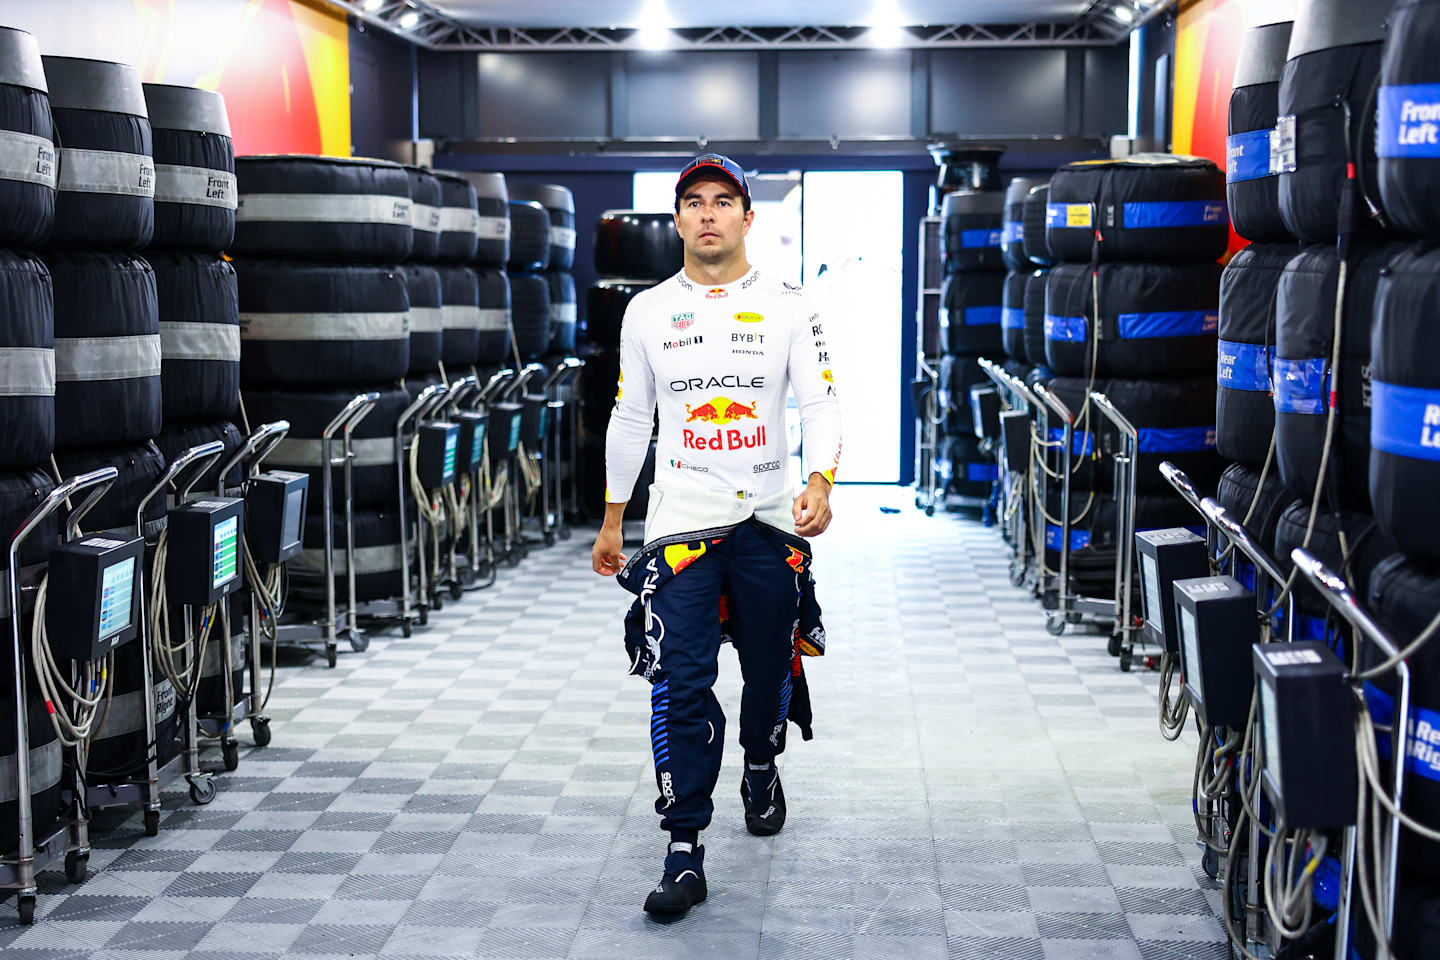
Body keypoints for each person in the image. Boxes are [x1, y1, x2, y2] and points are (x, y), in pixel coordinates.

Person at [592, 153, 842, 918]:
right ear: (677, 220)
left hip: (767, 522)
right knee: (681, 682)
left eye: (722, 201)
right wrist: (613, 517)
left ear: (746, 216)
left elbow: (821, 404)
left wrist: (821, 481)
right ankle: (683, 847)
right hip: (679, 530)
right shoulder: (646, 311)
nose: (708, 214)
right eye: (694, 202)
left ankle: (761, 761)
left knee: (768, 673)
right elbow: (632, 417)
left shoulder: (791, 305)